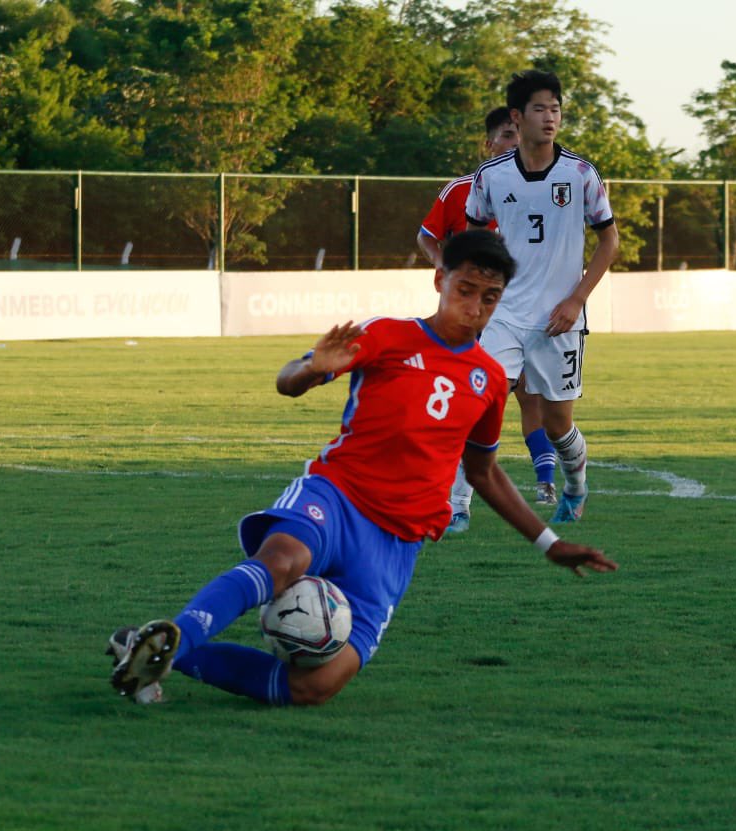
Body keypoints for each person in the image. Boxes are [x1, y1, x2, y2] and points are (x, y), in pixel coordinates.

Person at [108, 229, 617, 708]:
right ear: (440, 280)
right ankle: (179, 632)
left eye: (489, 297)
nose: (475, 306)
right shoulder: (387, 335)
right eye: (466, 289)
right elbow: (287, 381)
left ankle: (149, 651)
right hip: (338, 495)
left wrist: (549, 544)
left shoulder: (487, 380)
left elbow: (483, 472)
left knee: (316, 686)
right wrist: (311, 369)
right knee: (283, 559)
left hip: (397, 542)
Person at [465, 70, 620, 524]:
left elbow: (610, 242)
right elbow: (476, 237)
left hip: (560, 320)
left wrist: (576, 300)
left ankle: (575, 486)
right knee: (480, 399)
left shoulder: (580, 174)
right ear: (518, 116)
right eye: (540, 109)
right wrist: (480, 294)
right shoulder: (491, 176)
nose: (550, 117)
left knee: (556, 424)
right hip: (505, 314)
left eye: (555, 108)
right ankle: (456, 506)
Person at [418, 107, 559, 533]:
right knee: (475, 399)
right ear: (489, 144)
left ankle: (546, 480)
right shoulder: (463, 190)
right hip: (476, 314)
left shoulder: (545, 188)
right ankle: (458, 503)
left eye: (519, 135)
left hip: (525, 309)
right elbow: (426, 234)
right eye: (506, 136)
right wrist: (449, 270)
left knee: (531, 397)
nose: (514, 143)